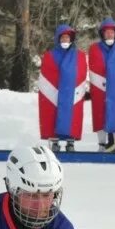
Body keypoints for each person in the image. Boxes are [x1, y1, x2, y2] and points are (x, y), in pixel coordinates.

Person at [39, 25, 88, 153]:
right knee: (52, 114)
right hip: (53, 91)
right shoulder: (50, 55)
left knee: (73, 115)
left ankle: (70, 141)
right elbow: (46, 74)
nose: (65, 40)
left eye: (67, 38)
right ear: (58, 39)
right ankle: (54, 140)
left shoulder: (79, 56)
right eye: (63, 38)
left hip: (72, 90)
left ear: (71, 39)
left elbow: (82, 72)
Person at [87, 18, 115, 153]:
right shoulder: (94, 49)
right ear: (102, 34)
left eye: (111, 32)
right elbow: (94, 68)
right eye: (106, 32)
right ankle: (101, 144)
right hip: (100, 88)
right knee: (100, 115)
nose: (109, 35)